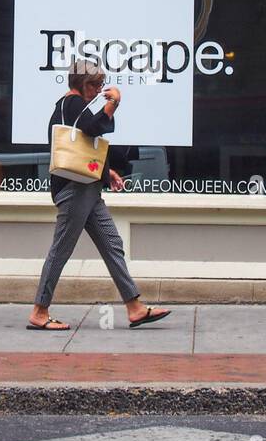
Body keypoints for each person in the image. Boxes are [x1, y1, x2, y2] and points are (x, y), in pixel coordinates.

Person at [29, 63, 171, 330]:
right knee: (61, 249)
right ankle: (39, 311)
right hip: (74, 191)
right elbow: (94, 129)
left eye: (101, 84)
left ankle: (135, 307)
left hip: (87, 189)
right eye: (94, 84)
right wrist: (113, 104)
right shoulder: (71, 103)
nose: (98, 90)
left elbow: (84, 146)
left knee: (112, 243)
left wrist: (107, 173)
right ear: (80, 82)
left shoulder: (75, 107)